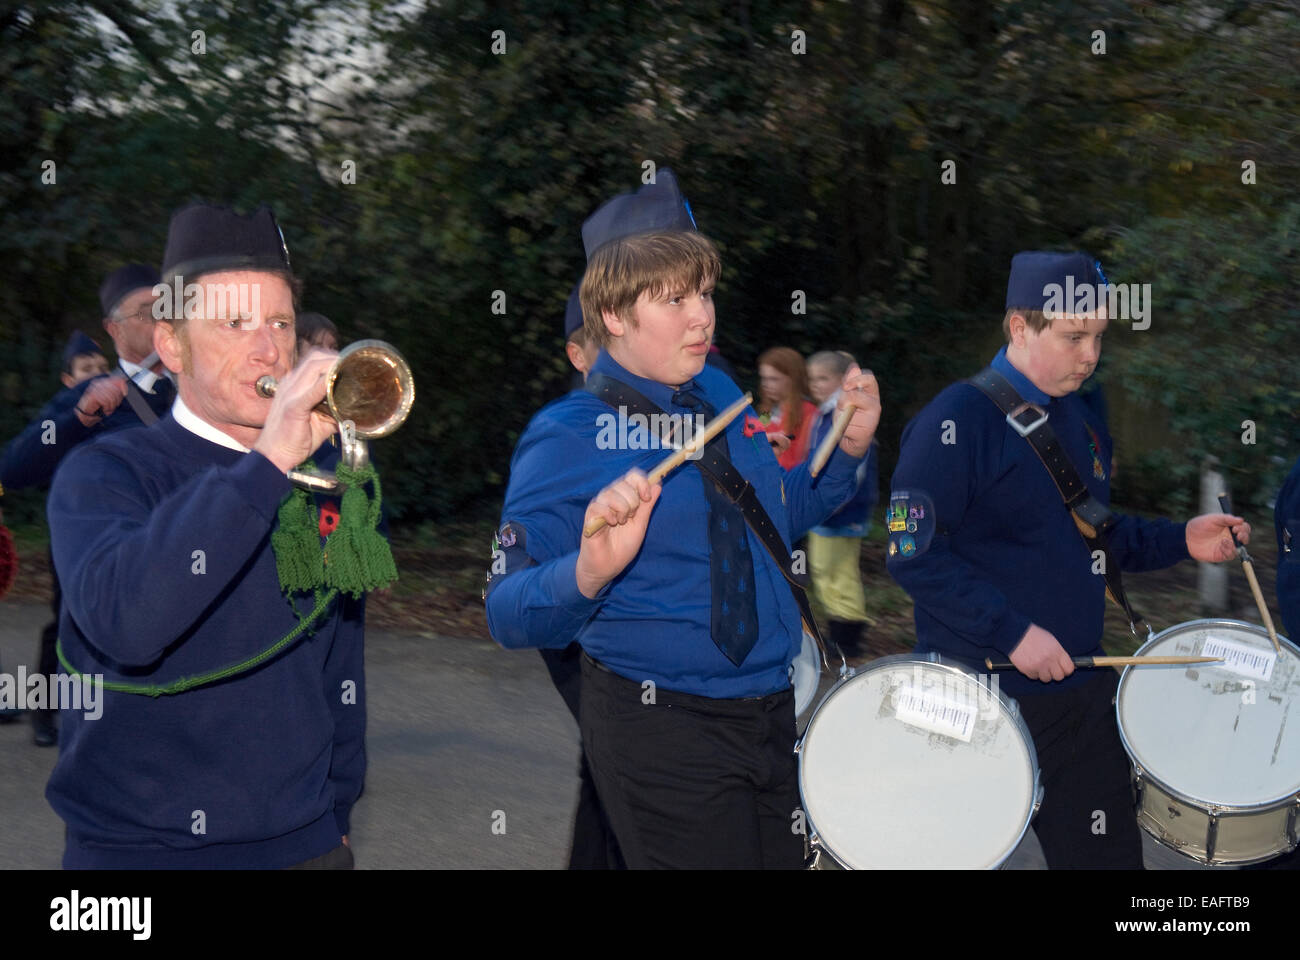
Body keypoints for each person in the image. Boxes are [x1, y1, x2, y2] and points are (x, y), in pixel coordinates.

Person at [485, 170, 881, 868]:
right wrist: (588, 571)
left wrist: (846, 450)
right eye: (675, 298)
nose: (704, 316)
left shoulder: (719, 393)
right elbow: (507, 611)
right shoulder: (570, 433)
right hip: (663, 730)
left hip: (770, 713)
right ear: (612, 314)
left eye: (704, 292)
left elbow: (778, 517)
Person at [45, 202, 390, 868]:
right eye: (235, 323)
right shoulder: (103, 473)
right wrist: (264, 468)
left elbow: (340, 666)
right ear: (172, 344)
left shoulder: (326, 479)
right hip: (138, 855)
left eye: (280, 323)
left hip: (304, 844)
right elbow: (128, 623)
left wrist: (336, 815)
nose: (268, 348)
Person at [886, 250, 1248, 870]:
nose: (1090, 356)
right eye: (1074, 336)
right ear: (1019, 328)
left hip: (1078, 692)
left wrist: (1180, 539)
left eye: (1100, 338)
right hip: (975, 697)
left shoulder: (1079, 417)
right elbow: (911, 556)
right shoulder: (954, 421)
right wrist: (1012, 631)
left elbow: (1094, 534)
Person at [1, 272, 175, 748]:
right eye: (147, 310)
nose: (163, 317)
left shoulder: (198, 393)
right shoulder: (89, 394)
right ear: (114, 328)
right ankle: (47, 712)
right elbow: (14, 469)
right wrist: (77, 420)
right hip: (101, 572)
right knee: (70, 636)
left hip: (180, 566)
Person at [532, 283, 624, 868]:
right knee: (616, 769)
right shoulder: (564, 434)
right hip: (580, 638)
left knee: (608, 776)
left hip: (629, 639)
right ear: (578, 355)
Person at [805, 350, 877, 661]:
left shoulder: (847, 411)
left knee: (839, 571)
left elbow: (854, 465)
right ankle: (838, 630)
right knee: (823, 569)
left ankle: (847, 638)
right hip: (825, 509)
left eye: (823, 378)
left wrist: (835, 501)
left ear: (840, 380)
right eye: (811, 378)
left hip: (840, 511)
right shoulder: (824, 412)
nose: (816, 384)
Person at [756, 346, 817, 469]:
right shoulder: (767, 411)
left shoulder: (808, 411)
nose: (766, 384)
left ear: (793, 379)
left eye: (774, 379)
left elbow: (802, 458)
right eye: (764, 378)